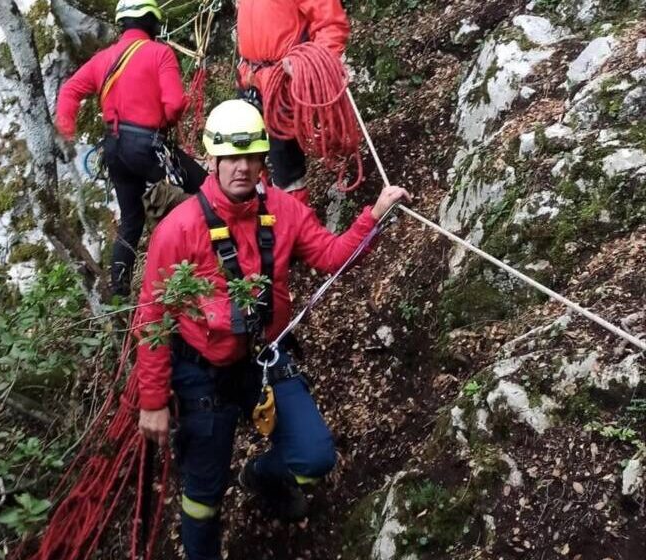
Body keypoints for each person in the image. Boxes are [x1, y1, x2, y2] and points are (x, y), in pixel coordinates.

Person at [134, 99, 411, 560]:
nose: (243, 168)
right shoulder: (177, 230)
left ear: (264, 160)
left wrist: (374, 215)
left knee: (315, 456)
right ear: (212, 160)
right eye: (232, 158)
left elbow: (329, 257)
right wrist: (153, 403)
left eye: (252, 157)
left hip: (263, 357)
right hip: (202, 372)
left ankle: (262, 475)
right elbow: (154, 319)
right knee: (203, 498)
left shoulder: (283, 211)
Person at [55, 0, 207, 298]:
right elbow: (174, 104)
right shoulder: (160, 53)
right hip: (148, 146)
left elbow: (70, 90)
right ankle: (195, 267)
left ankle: (120, 287)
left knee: (132, 218)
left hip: (114, 149)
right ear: (150, 20)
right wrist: (172, 116)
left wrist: (67, 128)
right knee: (203, 189)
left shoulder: (103, 59)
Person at [236, 0, 350, 205]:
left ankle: (295, 225)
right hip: (250, 79)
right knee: (243, 156)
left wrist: (307, 68)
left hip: (281, 83)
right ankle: (255, 219)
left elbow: (331, 25)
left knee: (285, 166)